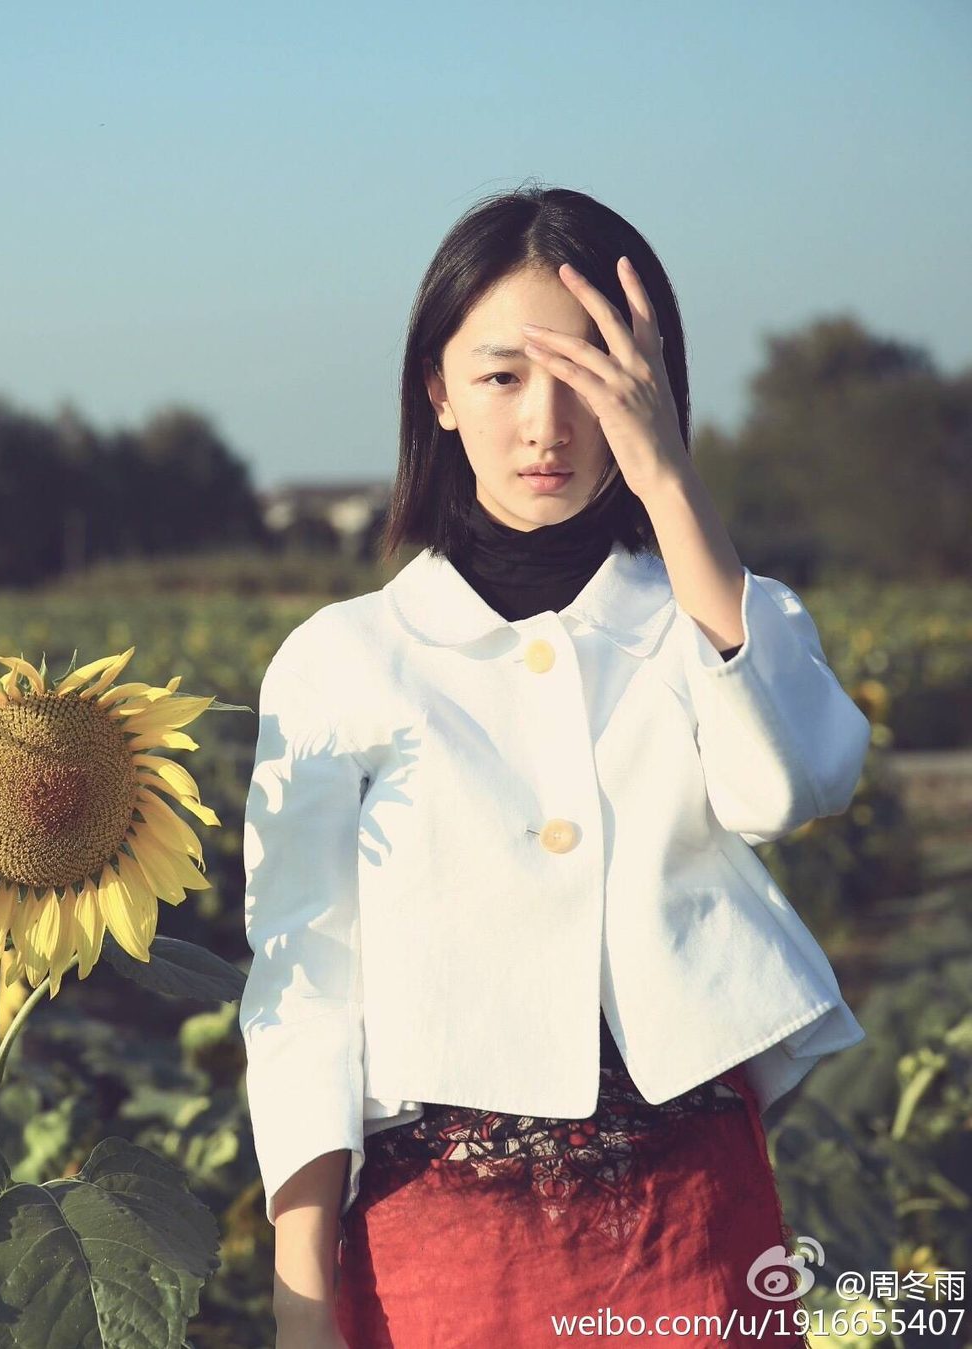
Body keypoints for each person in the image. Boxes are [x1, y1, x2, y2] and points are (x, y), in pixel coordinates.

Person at [238, 184, 872, 1348]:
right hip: (436, 1239)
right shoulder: (342, 658)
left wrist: (672, 480)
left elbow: (788, 790)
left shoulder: (724, 616)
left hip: (694, 1223)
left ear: (651, 388)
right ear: (435, 388)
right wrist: (300, 1288)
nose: (547, 423)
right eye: (501, 376)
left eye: (590, 376)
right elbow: (304, 986)